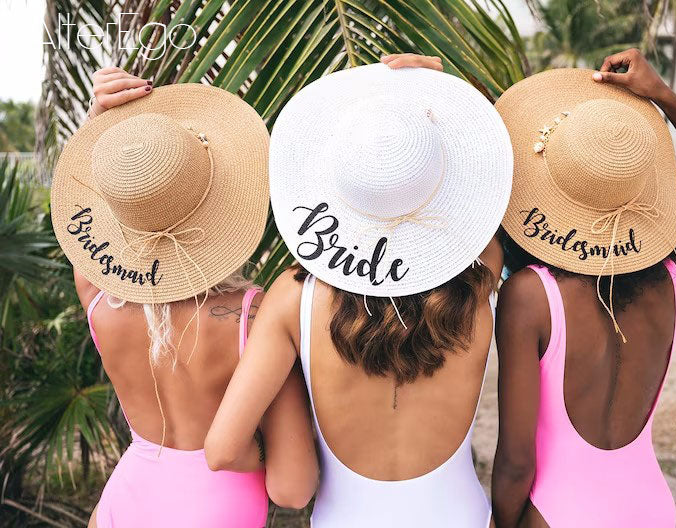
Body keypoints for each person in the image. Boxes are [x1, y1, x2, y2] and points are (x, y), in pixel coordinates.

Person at [205, 57, 513, 527]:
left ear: (335, 188)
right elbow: (496, 193)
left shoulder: (294, 299)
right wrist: (444, 94)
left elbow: (224, 449)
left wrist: (289, 454)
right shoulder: (479, 277)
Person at [51, 72, 318, 527]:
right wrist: (251, 452)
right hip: (217, 511)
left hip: (123, 505)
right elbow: (291, 488)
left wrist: (99, 127)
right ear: (224, 200)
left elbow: (87, 231)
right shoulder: (253, 316)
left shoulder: (96, 297)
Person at [491, 48, 676, 528]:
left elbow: (516, 462)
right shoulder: (673, 278)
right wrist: (662, 96)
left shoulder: (530, 296)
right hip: (650, 507)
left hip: (558, 511)